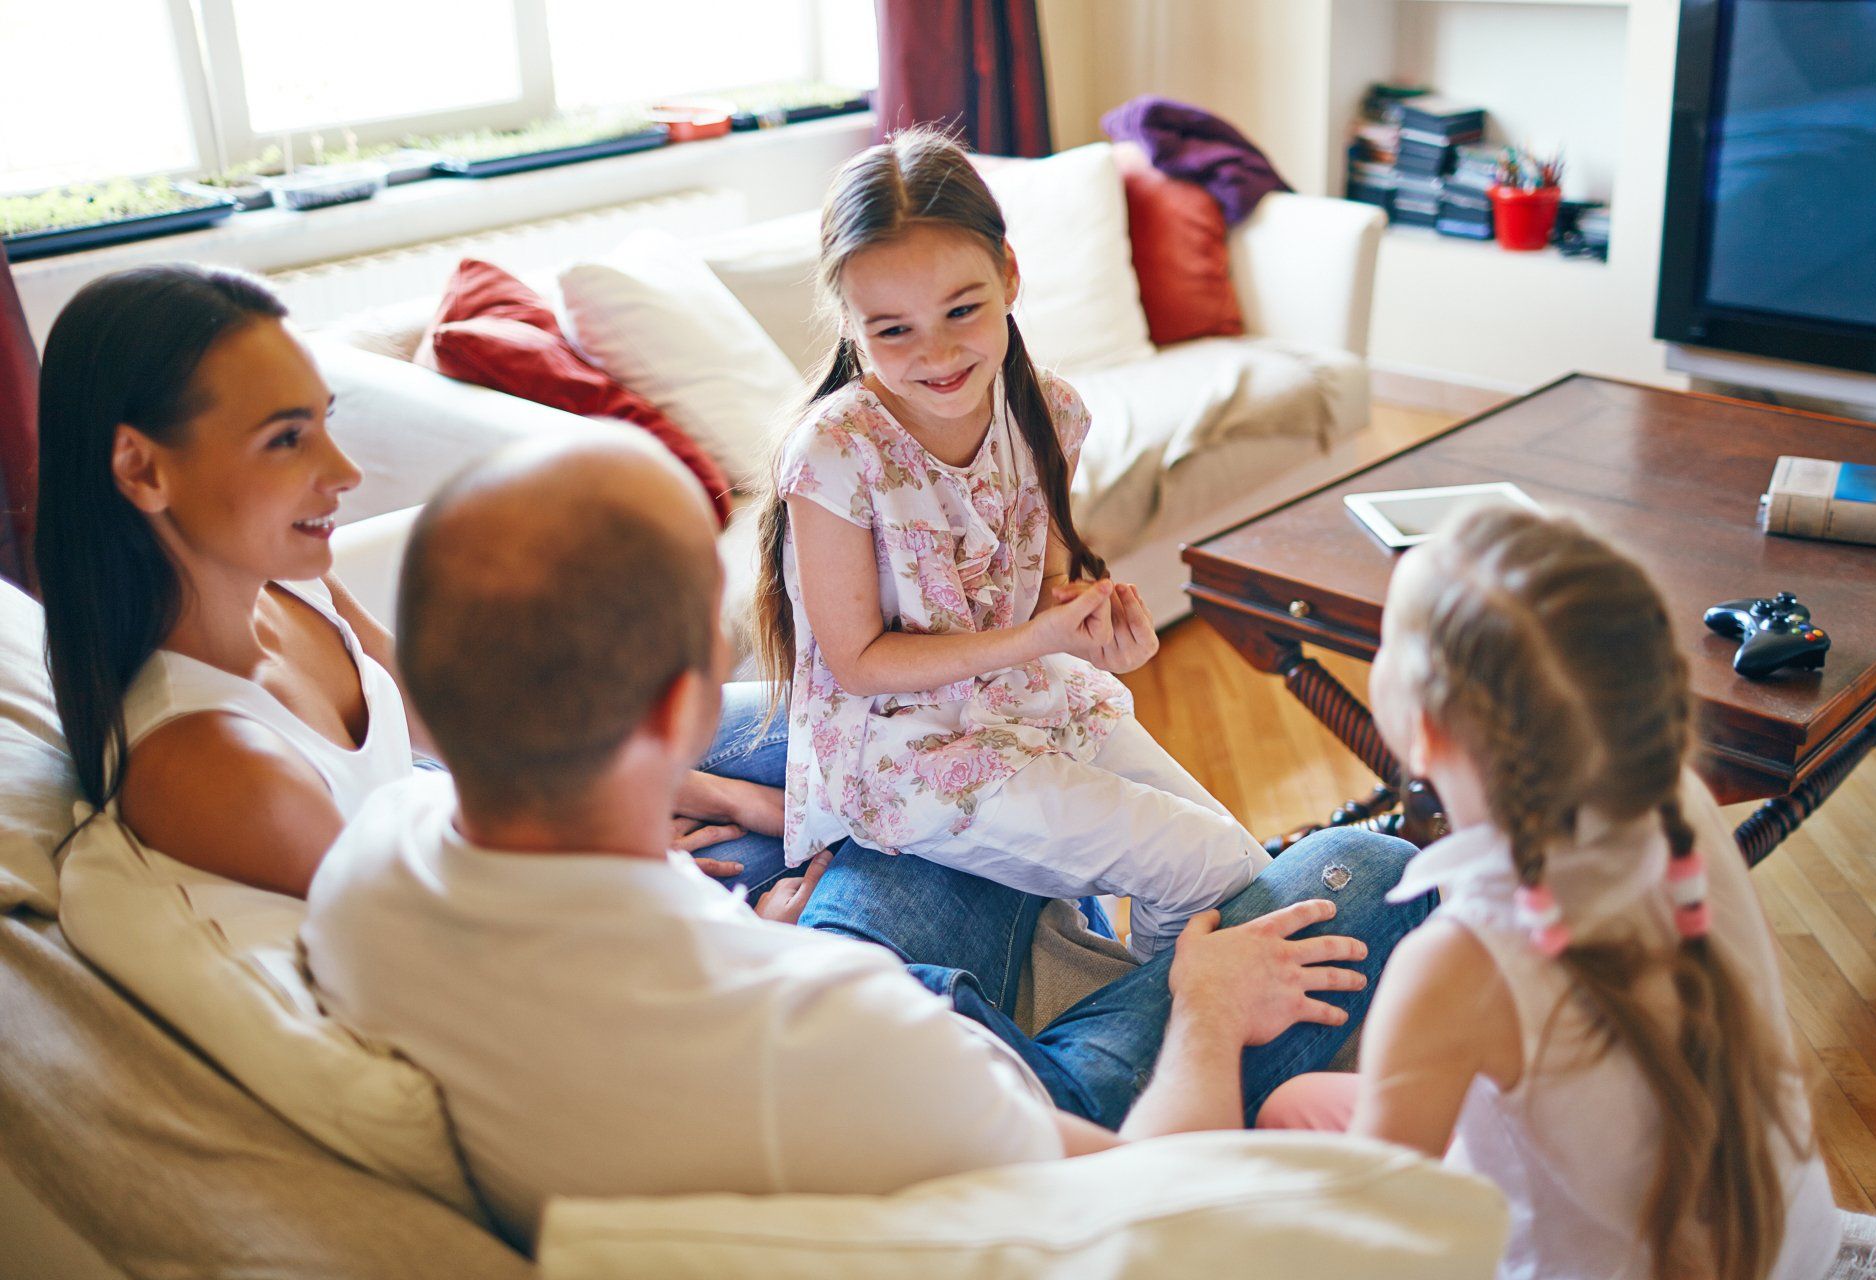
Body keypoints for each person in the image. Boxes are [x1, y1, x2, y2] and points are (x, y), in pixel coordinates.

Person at [300, 429, 1409, 1251]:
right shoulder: (834, 1032)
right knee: (1366, 870)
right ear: (686, 699)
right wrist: (1209, 1010)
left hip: (789, 991)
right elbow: (1148, 1205)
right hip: (992, 1098)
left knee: (925, 767)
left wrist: (735, 906)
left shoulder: (372, 863)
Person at [31, 263, 786, 898]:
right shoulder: (212, 767)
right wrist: (644, 877)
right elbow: (428, 957)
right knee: (857, 845)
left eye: (325, 423)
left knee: (852, 734)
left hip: (477, 821)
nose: (344, 473)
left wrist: (701, 792)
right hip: (509, 904)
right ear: (142, 468)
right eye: (286, 439)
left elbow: (452, 728)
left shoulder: (283, 584)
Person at [1258, 507, 1841, 1280]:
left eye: (1387, 636)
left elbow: (1383, 1238)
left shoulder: (1453, 964)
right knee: (1304, 1106)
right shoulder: (1677, 804)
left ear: (1423, 729)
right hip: (1791, 1251)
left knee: (1282, 1118)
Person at [756, 127, 1266, 960]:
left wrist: (1091, 626)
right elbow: (858, 663)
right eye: (893, 332)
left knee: (1239, 864)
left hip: (1022, 698)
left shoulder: (1047, 411)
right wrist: (1040, 639)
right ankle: (1150, 1050)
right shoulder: (835, 453)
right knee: (1208, 865)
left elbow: (1041, 586)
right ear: (849, 325)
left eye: (963, 309)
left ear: (1010, 276)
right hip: (901, 753)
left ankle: (1159, 1021)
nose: (939, 353)